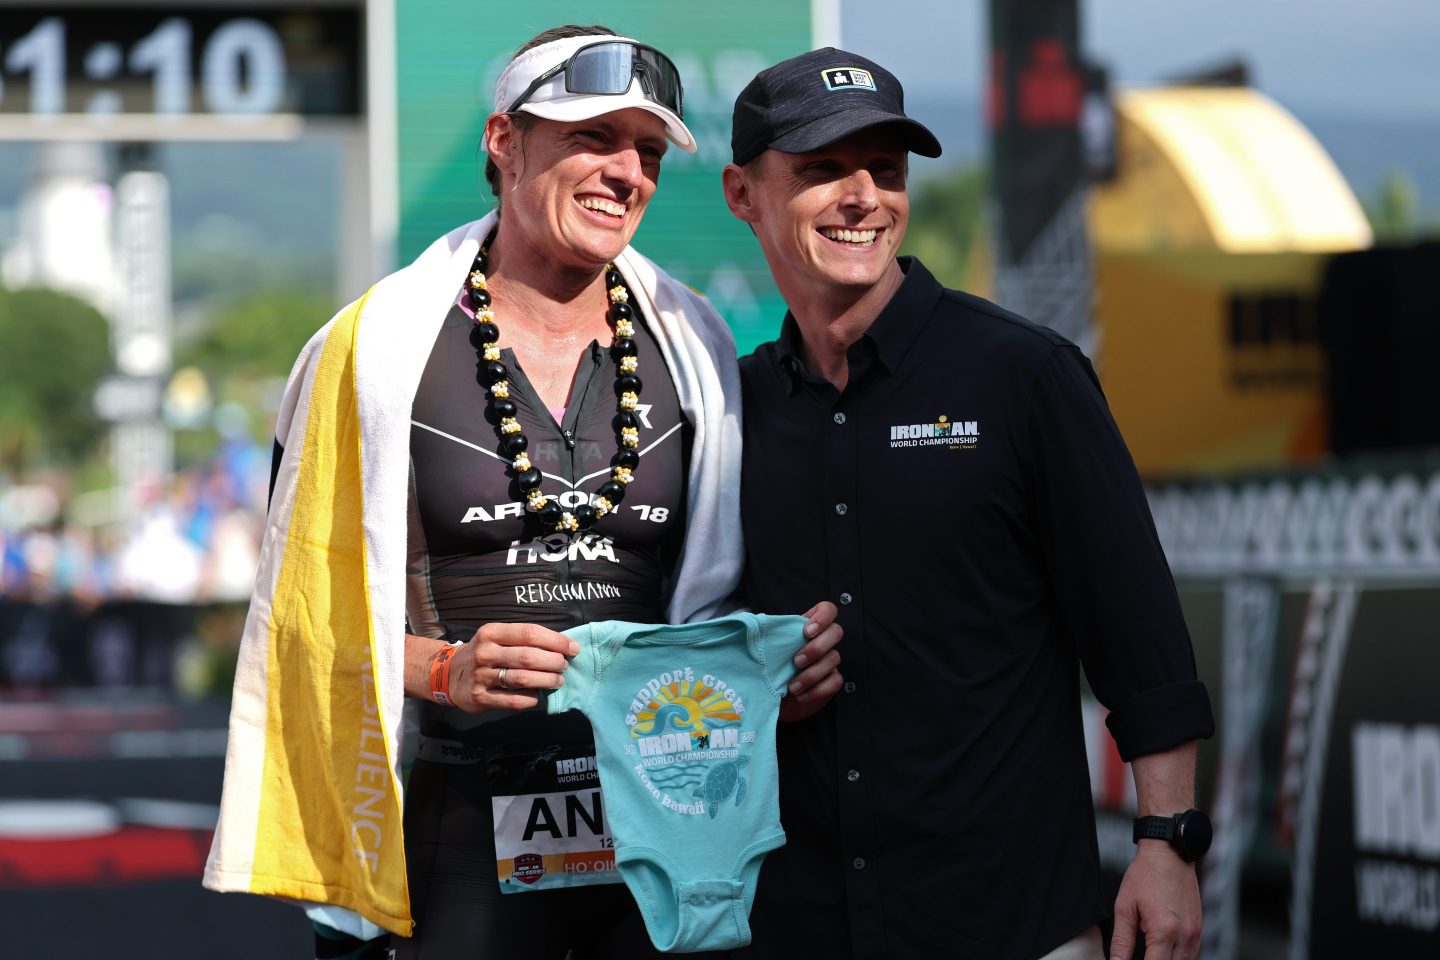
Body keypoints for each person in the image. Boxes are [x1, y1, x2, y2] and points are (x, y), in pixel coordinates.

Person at [202, 25, 841, 960]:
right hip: (453, 816)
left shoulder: (694, 344)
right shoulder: (373, 350)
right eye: (593, 137)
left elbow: (723, 590)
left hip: (666, 811)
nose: (627, 172)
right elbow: (304, 614)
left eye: (649, 152)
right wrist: (442, 670)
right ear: (505, 142)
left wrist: (765, 672)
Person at [721, 48, 1215, 960]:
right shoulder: (726, 410)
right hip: (796, 924)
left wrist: (1167, 845)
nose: (862, 195)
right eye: (822, 170)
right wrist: (749, 691)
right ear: (742, 195)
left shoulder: (1025, 376)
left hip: (1010, 920)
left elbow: (1140, 635)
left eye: (886, 169)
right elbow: (685, 649)